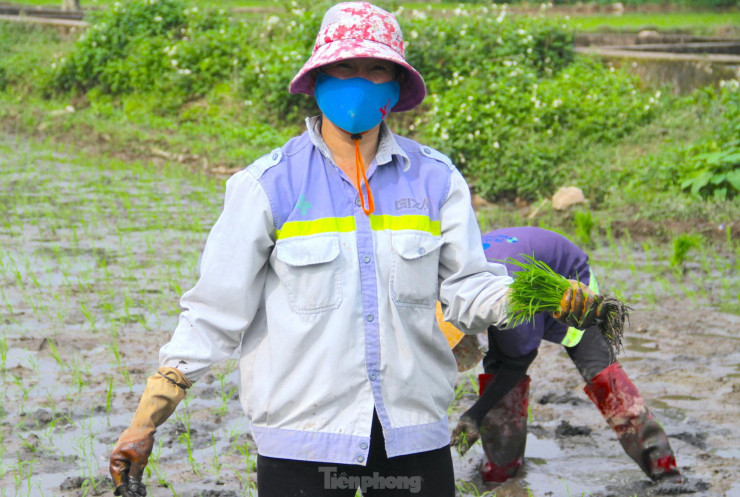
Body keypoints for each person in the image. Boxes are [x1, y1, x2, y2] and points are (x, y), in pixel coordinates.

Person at [108, 5, 601, 497]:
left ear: (395, 86)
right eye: (344, 68)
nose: (359, 82)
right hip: (302, 441)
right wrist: (147, 418)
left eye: (376, 69)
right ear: (319, 77)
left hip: (411, 434)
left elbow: (468, 289)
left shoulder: (435, 179)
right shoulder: (266, 186)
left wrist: (536, 296)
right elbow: (214, 314)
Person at [449, 227, 682, 484]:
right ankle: (501, 473)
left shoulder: (509, 299)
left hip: (567, 283)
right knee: (496, 366)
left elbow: (520, 359)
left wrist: (474, 414)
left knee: (598, 370)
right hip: (507, 281)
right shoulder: (452, 284)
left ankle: (664, 469)